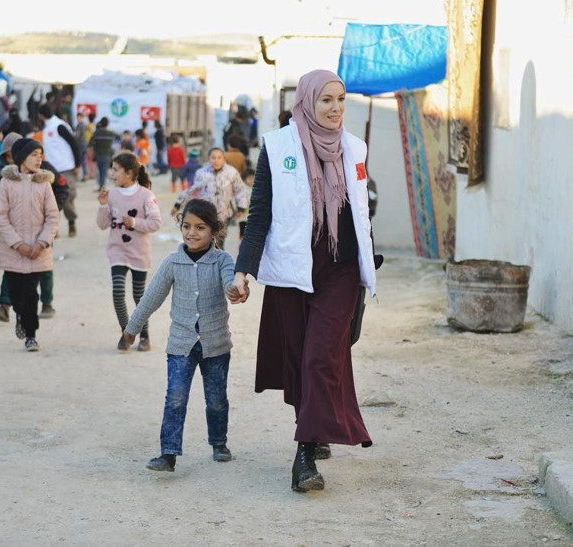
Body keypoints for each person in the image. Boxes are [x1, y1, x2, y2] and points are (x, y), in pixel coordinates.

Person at [231, 69, 379, 493]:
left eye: (341, 99)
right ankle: (313, 428)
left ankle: (303, 459)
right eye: (326, 100)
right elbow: (259, 215)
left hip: (339, 269)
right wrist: (244, 271)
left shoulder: (354, 148)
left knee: (318, 356)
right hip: (293, 270)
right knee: (298, 361)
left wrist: (368, 272)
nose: (335, 109)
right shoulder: (277, 148)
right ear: (307, 103)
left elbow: (360, 217)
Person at [123, 199, 241, 472]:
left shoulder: (223, 260)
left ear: (214, 231)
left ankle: (219, 442)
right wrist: (132, 327)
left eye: (200, 227)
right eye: (187, 226)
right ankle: (168, 453)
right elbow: (151, 297)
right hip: (180, 344)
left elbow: (229, 282)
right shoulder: (173, 262)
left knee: (216, 399)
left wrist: (235, 290)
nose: (192, 233)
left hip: (216, 344)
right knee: (175, 397)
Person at [0, 133, 64, 321]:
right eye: (7, 158)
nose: (10, 161)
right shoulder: (7, 178)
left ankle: (46, 303)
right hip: (15, 239)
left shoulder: (44, 172)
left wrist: (49, 216)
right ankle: (6, 306)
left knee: (43, 271)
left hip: (42, 233)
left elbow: (62, 189)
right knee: (11, 272)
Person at [96, 151, 162, 352]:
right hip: (117, 250)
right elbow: (102, 224)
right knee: (117, 292)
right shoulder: (112, 194)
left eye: (116, 170)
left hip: (139, 252)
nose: (113, 174)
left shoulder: (146, 195)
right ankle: (126, 333)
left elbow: (156, 223)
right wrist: (102, 205)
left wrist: (134, 222)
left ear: (129, 172)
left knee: (139, 296)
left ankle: (144, 334)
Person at [171, 147, 248, 249]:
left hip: (224, 214)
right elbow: (192, 189)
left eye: (219, 157)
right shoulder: (202, 173)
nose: (216, 160)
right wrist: (178, 204)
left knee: (219, 242)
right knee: (208, 242)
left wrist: (241, 207)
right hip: (206, 214)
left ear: (223, 159)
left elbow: (240, 190)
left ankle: (218, 262)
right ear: (209, 159)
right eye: (213, 158)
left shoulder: (232, 172)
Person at [38, 104, 80, 237]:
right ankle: (53, 229)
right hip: (51, 169)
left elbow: (73, 143)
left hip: (65, 168)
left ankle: (71, 222)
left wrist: (77, 163)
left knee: (67, 198)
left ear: (41, 116)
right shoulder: (46, 128)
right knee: (51, 200)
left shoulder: (59, 126)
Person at [88, 116, 117, 191]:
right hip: (107, 155)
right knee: (104, 171)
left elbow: (90, 143)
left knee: (100, 171)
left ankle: (101, 186)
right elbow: (118, 137)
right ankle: (102, 186)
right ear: (107, 124)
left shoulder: (97, 133)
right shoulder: (110, 133)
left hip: (98, 155)